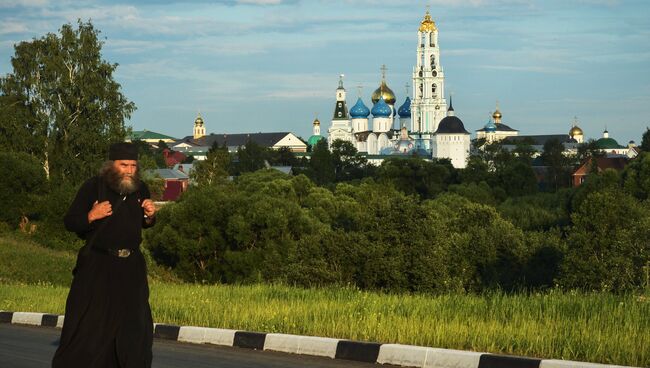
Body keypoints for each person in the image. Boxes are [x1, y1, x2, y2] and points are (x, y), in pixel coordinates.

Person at [52, 142, 157, 368]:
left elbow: (142, 224)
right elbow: (71, 222)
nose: (129, 170)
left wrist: (149, 216)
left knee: (135, 325)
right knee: (90, 326)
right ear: (111, 165)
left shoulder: (141, 189)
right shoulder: (93, 187)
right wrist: (91, 215)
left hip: (131, 268)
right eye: (123, 165)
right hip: (99, 266)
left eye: (133, 165)